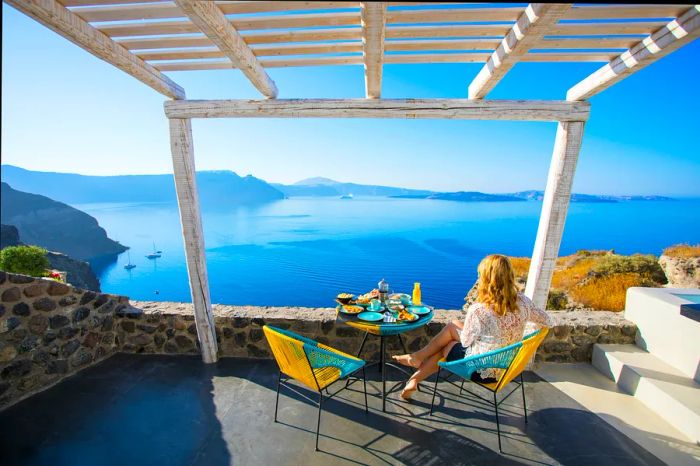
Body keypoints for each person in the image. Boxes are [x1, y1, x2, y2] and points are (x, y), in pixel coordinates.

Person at [392, 254, 554, 400]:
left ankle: (415, 366)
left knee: (447, 344)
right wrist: (523, 335)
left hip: (481, 371)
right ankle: (414, 373)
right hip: (508, 367)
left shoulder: (480, 309)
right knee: (452, 328)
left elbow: (466, 341)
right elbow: (548, 321)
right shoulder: (524, 302)